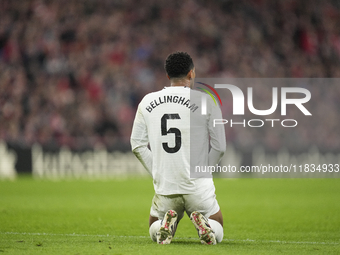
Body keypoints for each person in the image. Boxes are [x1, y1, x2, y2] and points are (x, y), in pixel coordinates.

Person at [130, 52, 226, 245]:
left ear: (167, 76)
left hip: (166, 187)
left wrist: (158, 171)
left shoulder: (147, 102)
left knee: (153, 227)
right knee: (219, 226)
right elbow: (220, 146)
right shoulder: (206, 101)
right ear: (191, 74)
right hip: (198, 187)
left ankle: (164, 225)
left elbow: (137, 145)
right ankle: (206, 225)